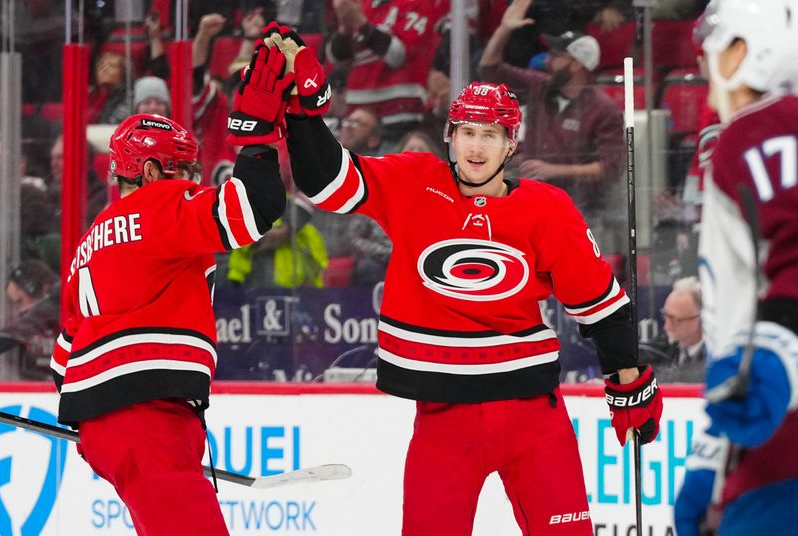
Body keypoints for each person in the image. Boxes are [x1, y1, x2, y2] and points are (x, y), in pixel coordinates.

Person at [264, 27, 663, 535]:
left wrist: (628, 381)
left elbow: (602, 308)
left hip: (532, 419)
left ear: (511, 143)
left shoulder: (547, 208)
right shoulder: (413, 181)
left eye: (491, 135)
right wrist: (304, 110)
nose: (477, 147)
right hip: (443, 419)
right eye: (468, 133)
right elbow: (324, 181)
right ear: (450, 135)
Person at [50, 45, 289, 534]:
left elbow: (63, 362)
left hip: (118, 424)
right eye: (184, 171)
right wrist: (257, 131)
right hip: (147, 419)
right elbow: (254, 209)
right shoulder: (160, 205)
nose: (192, 182)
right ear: (154, 173)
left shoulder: (86, 246)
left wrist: (104, 426)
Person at [674, 1, 798, 535]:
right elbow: (743, 326)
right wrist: (711, 459)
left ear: (747, 50)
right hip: (764, 449)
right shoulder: (743, 135)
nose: (704, 67)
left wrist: (775, 357)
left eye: (715, 51)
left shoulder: (766, 129)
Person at [478, 1, 626, 253]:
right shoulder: (541, 85)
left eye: (557, 56)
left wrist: (552, 169)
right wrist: (504, 29)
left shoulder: (603, 109)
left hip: (580, 213)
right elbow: (488, 70)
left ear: (577, 65)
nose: (548, 60)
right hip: (530, 203)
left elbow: (610, 168)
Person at [326, 0, 449, 143]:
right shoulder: (364, 5)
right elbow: (335, 57)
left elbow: (398, 56)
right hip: (356, 112)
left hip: (398, 113)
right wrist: (344, 30)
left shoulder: (417, 3)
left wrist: (360, 23)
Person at [0, 260, 59, 380]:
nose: (20, 310)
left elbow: (18, 331)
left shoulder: (55, 302)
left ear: (43, 289)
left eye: (21, 301)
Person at [647, 276, 705, 383]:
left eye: (675, 320)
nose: (666, 326)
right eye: (665, 315)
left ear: (700, 319)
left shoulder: (716, 357)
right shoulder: (661, 349)